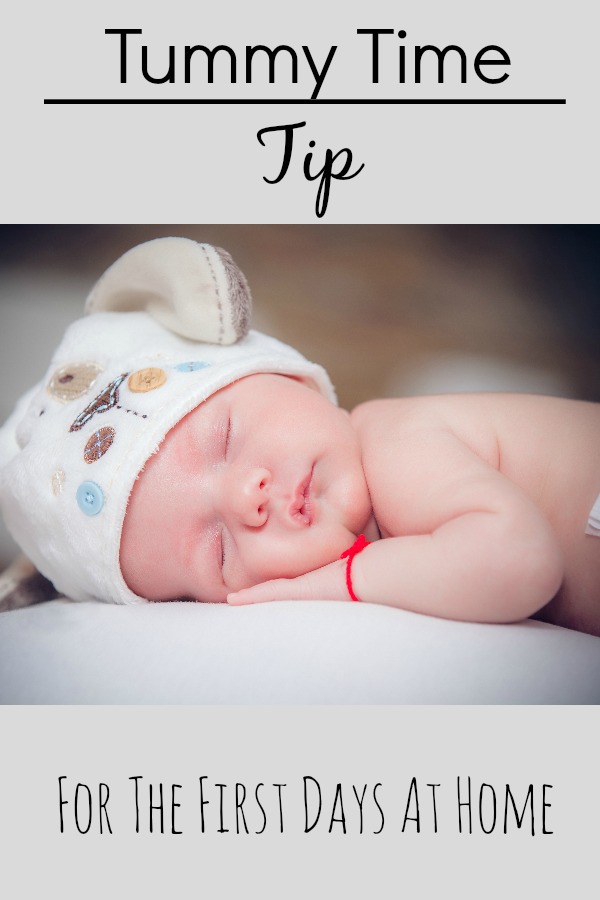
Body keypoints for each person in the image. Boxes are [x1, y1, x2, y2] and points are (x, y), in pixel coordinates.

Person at [1, 238, 599, 638]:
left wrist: (345, 581)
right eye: (217, 550)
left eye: (226, 438)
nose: (245, 498)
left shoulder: (396, 441)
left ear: (292, 377)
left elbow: (522, 563)